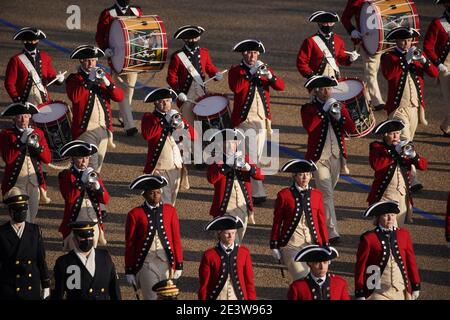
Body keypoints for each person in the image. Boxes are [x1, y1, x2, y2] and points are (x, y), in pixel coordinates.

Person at [381, 27, 438, 192]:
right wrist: (405, 60)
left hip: (415, 108)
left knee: (406, 142)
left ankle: (399, 170)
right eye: (403, 40)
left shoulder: (417, 54)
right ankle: (413, 178)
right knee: (405, 140)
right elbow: (389, 75)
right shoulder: (389, 57)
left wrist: (424, 60)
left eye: (409, 40)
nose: (406, 43)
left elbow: (434, 74)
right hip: (398, 108)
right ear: (396, 41)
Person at [301, 75, 356, 243]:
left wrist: (340, 116)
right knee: (327, 194)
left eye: (329, 89)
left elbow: (351, 128)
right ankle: (332, 231)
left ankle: (311, 215)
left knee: (325, 194)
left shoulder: (339, 105)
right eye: (323, 89)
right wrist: (324, 111)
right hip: (318, 159)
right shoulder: (308, 108)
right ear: (316, 91)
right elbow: (310, 127)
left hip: (336, 157)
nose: (327, 92)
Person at [229, 39, 285, 205]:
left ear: (258, 54)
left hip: (262, 119)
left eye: (254, 52)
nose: (251, 55)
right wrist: (250, 73)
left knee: (256, 155)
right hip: (244, 119)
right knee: (252, 155)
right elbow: (236, 88)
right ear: (243, 54)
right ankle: (257, 191)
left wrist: (270, 77)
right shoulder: (236, 71)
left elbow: (281, 86)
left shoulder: (263, 68)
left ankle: (247, 186)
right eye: (248, 52)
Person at [66, 45, 124, 172]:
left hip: (103, 129)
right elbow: (75, 97)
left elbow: (119, 97)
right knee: (91, 167)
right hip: (85, 130)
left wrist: (107, 82)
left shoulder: (104, 76)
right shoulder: (74, 79)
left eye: (93, 60)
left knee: (96, 169)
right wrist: (89, 80)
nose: (91, 63)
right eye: (87, 60)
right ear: (81, 61)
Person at [125, 174, 183, 300]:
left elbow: (176, 238)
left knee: (168, 297)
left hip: (167, 262)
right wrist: (129, 269)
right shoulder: (134, 214)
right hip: (146, 263)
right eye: (152, 193)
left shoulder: (170, 211)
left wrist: (179, 264)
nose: (156, 195)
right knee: (151, 297)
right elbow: (130, 244)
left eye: (158, 192)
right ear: (144, 195)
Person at [270, 159, 328, 281]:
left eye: (307, 174)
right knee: (302, 277)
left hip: (313, 244)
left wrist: (325, 245)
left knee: (317, 279)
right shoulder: (284, 195)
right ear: (294, 176)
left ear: (311, 175)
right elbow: (277, 222)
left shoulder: (317, 195)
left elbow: (321, 222)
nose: (305, 177)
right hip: (291, 246)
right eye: (301, 174)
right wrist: (274, 245)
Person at [355, 201, 420, 300]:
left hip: (401, 289)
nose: (390, 218)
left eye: (393, 215)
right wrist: (360, 291)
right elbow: (361, 265)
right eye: (386, 215)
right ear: (378, 218)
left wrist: (415, 284)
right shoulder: (369, 238)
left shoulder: (404, 234)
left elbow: (411, 262)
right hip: (377, 290)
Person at [207, 128, 264, 243]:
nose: (229, 146)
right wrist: (227, 164)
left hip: (243, 207)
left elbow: (261, 176)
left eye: (232, 142)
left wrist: (249, 168)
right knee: (230, 241)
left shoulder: (245, 157)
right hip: (225, 208)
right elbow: (212, 179)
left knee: (238, 239)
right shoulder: (216, 159)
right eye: (226, 143)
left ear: (237, 143)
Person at [142, 88, 196, 205]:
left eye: (168, 100)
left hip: (176, 166)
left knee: (172, 201)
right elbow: (147, 135)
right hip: (159, 168)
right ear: (155, 103)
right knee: (164, 202)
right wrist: (164, 122)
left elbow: (194, 135)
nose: (165, 103)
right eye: (162, 101)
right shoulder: (149, 117)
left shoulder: (175, 115)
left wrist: (183, 125)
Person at [368, 119, 428, 226]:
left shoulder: (404, 147)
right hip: (386, 193)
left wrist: (414, 156)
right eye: (392, 134)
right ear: (386, 135)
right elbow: (377, 165)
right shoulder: (377, 148)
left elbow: (423, 166)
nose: (396, 136)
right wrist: (394, 152)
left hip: (403, 194)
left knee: (398, 227)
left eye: (398, 133)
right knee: (388, 226)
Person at [95, 0, 143, 136]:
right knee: (124, 93)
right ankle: (129, 125)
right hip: (117, 59)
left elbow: (142, 33)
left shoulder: (136, 11)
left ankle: (123, 116)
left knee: (129, 92)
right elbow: (100, 35)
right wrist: (105, 48)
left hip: (133, 59)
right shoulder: (108, 14)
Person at [0, 102, 52, 223]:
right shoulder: (6, 134)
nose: (23, 120)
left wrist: (38, 147)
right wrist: (21, 142)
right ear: (14, 118)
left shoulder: (38, 133)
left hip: (34, 182)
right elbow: (8, 159)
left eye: (26, 116)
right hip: (15, 183)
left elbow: (47, 159)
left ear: (30, 117)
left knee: (31, 220)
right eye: (19, 116)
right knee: (22, 217)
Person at [57, 140, 110, 251]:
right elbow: (69, 198)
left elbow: (105, 200)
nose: (84, 161)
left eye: (86, 158)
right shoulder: (66, 175)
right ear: (72, 159)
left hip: (93, 218)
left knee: (92, 250)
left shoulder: (93, 174)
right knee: (75, 250)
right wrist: (81, 181)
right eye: (80, 158)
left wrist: (98, 188)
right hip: (75, 218)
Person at [167, 25, 222, 127]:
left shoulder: (204, 52)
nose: (193, 40)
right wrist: (178, 92)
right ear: (184, 40)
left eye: (195, 38)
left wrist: (215, 73)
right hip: (186, 95)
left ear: (199, 37)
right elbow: (171, 77)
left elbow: (209, 66)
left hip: (202, 93)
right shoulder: (178, 56)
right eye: (190, 38)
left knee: (204, 121)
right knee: (189, 123)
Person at [0, 189, 51, 300]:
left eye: (24, 209)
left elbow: (41, 260)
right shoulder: (2, 233)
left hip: (31, 287)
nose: (22, 213)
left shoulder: (35, 230)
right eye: (18, 210)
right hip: (9, 288)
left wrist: (46, 285)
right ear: (10, 211)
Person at [53, 221, 121, 300]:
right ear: (74, 239)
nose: (87, 240)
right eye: (83, 237)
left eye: (90, 237)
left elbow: (115, 289)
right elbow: (57, 294)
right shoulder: (64, 262)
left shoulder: (105, 257)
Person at [198, 215, 256, 300]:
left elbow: (249, 282)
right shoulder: (209, 255)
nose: (231, 236)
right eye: (227, 233)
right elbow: (204, 284)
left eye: (233, 233)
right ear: (219, 233)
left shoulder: (244, 253)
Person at [341, 1, 385, 111]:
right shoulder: (356, 1)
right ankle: (377, 101)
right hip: (367, 39)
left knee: (372, 70)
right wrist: (353, 31)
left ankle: (365, 97)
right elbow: (345, 18)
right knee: (370, 70)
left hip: (385, 39)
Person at [5, 27, 65, 106]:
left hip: (42, 99)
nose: (32, 43)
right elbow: (9, 83)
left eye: (34, 40)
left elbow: (51, 76)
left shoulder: (45, 57)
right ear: (24, 42)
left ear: (38, 41)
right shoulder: (16, 60)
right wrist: (17, 99)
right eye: (29, 41)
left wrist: (59, 79)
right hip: (25, 101)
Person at [297, 11, 359, 80]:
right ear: (319, 23)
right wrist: (310, 75)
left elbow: (341, 58)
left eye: (331, 23)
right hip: (317, 80)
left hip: (334, 79)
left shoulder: (338, 40)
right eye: (325, 23)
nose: (328, 25)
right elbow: (301, 62)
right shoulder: (310, 41)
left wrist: (350, 58)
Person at [423, 0, 450, 136]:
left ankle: (446, 125)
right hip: (445, 66)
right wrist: (438, 63)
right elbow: (427, 47)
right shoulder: (438, 23)